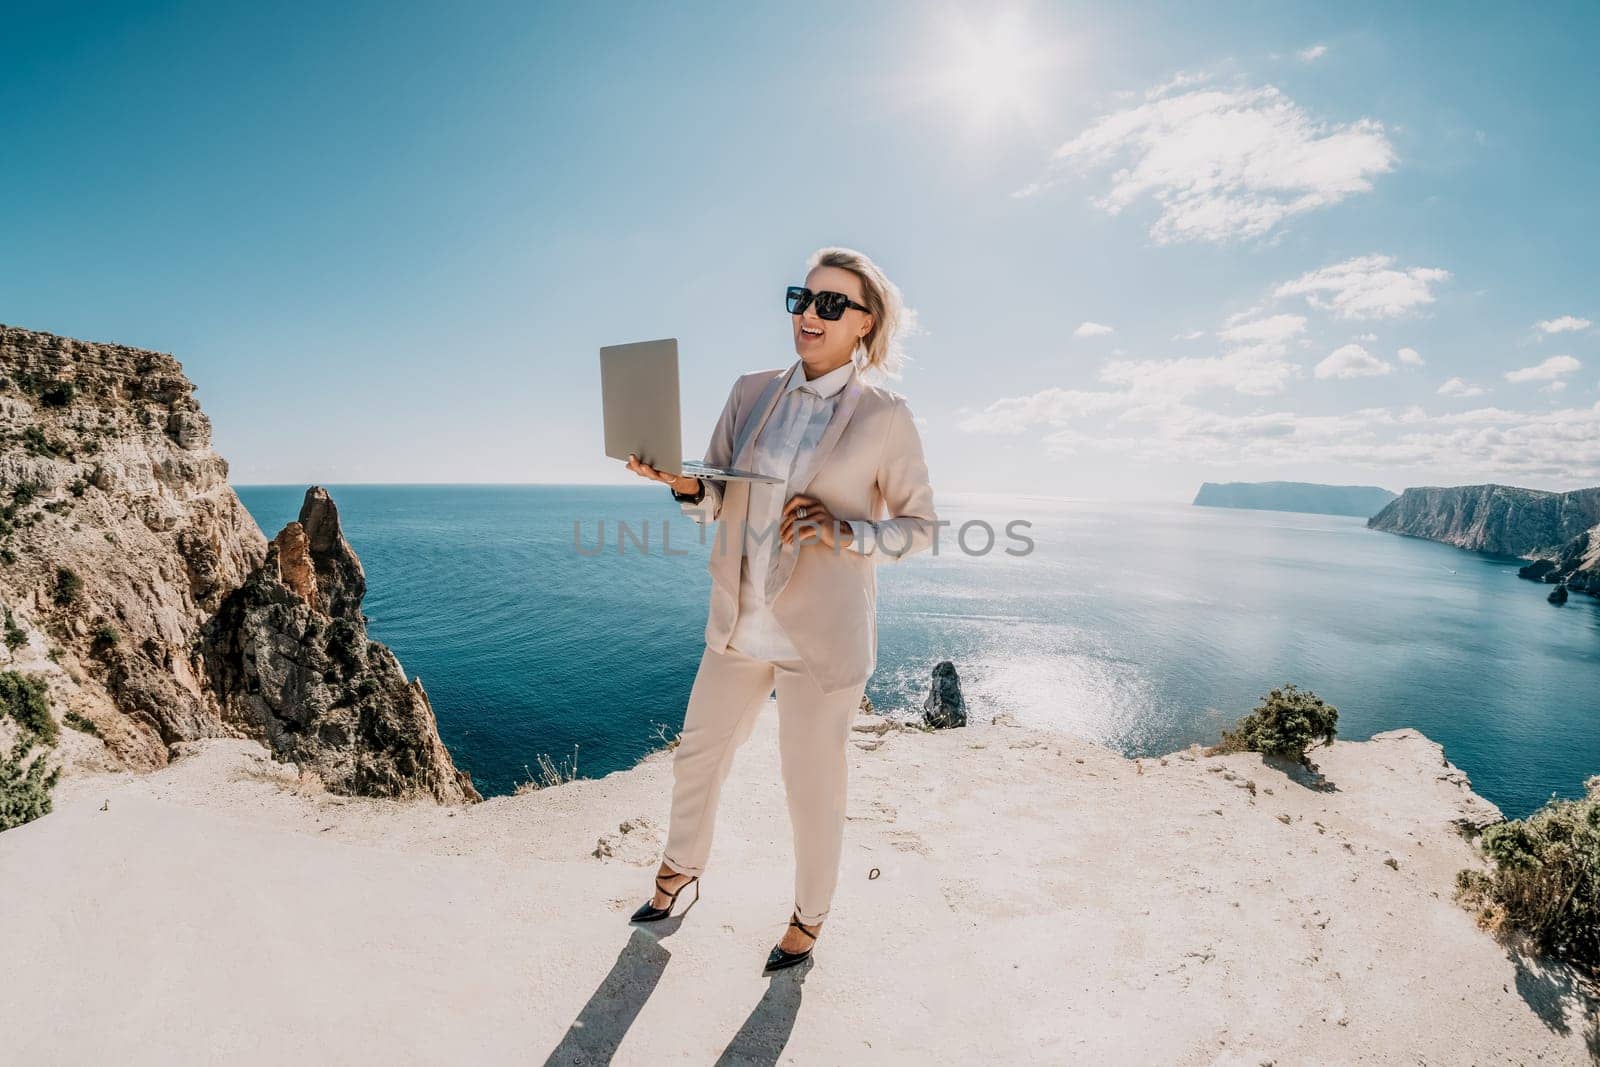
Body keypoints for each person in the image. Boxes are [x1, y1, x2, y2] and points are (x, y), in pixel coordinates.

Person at [623, 245, 938, 973]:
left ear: (865, 324)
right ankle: (678, 871)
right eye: (803, 297)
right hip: (739, 619)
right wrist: (680, 483)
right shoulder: (750, 391)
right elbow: (717, 498)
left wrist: (845, 530)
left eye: (833, 304)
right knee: (697, 754)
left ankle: (808, 916)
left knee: (811, 788)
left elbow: (920, 528)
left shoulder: (886, 415)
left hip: (822, 639)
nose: (809, 314)